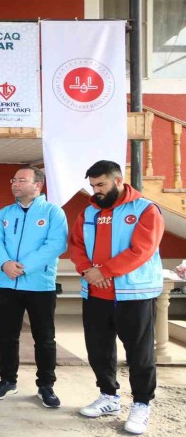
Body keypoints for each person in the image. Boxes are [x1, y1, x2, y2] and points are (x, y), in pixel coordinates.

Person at [69, 160, 164, 435]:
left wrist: (104, 271)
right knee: (99, 349)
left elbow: (142, 250)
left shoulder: (145, 209)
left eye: (101, 184)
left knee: (139, 352)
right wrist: (87, 271)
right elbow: (76, 245)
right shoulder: (88, 213)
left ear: (118, 181)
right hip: (95, 293)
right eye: (92, 186)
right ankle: (108, 396)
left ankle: (142, 403)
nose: (96, 191)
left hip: (134, 294)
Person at [0, 166, 68, 408]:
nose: (15, 183)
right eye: (14, 180)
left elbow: (56, 244)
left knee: (44, 338)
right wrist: (5, 263)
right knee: (7, 337)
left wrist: (24, 267)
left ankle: (46, 386)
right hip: (7, 284)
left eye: (22, 180)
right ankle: (7, 381)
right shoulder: (4, 213)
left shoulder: (53, 212)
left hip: (40, 286)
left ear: (37, 185)